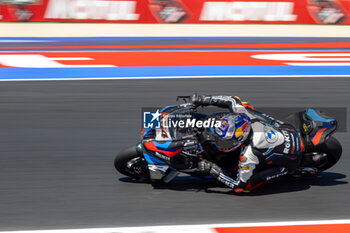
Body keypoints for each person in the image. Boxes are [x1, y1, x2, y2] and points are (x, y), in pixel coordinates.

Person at [190, 94, 306, 193]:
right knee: (245, 106)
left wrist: (212, 169)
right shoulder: (244, 115)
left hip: (290, 160)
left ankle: (286, 170)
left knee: (247, 186)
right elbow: (232, 100)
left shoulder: (248, 155)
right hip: (287, 130)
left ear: (240, 139)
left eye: (227, 141)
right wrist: (205, 99)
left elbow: (238, 185)